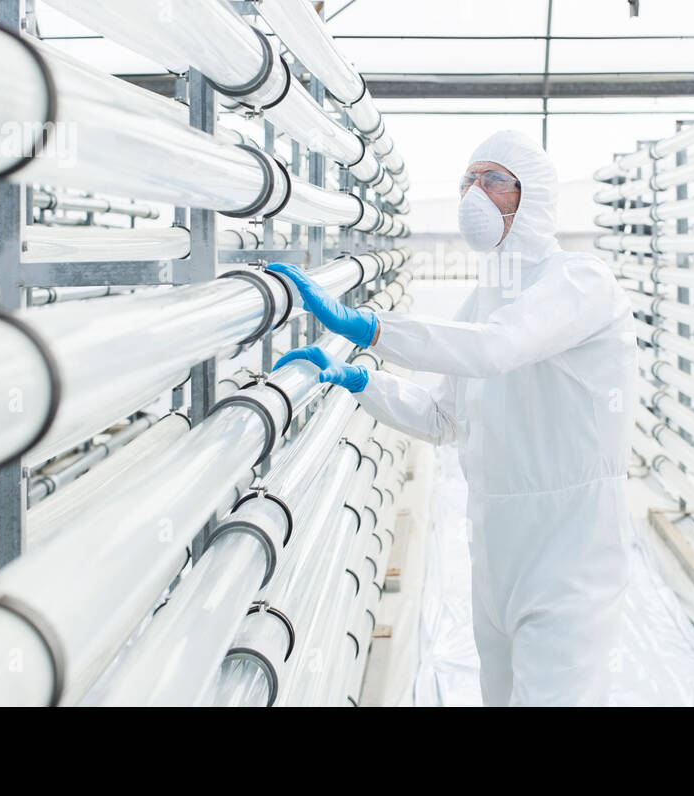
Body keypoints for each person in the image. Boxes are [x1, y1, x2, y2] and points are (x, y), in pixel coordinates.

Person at [269, 130, 637, 706]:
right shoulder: (484, 301)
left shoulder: (579, 281)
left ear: (531, 195)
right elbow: (444, 417)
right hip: (496, 554)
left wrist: (368, 326)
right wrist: (365, 382)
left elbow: (495, 349)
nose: (474, 194)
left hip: (570, 554)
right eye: (468, 180)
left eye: (492, 180)